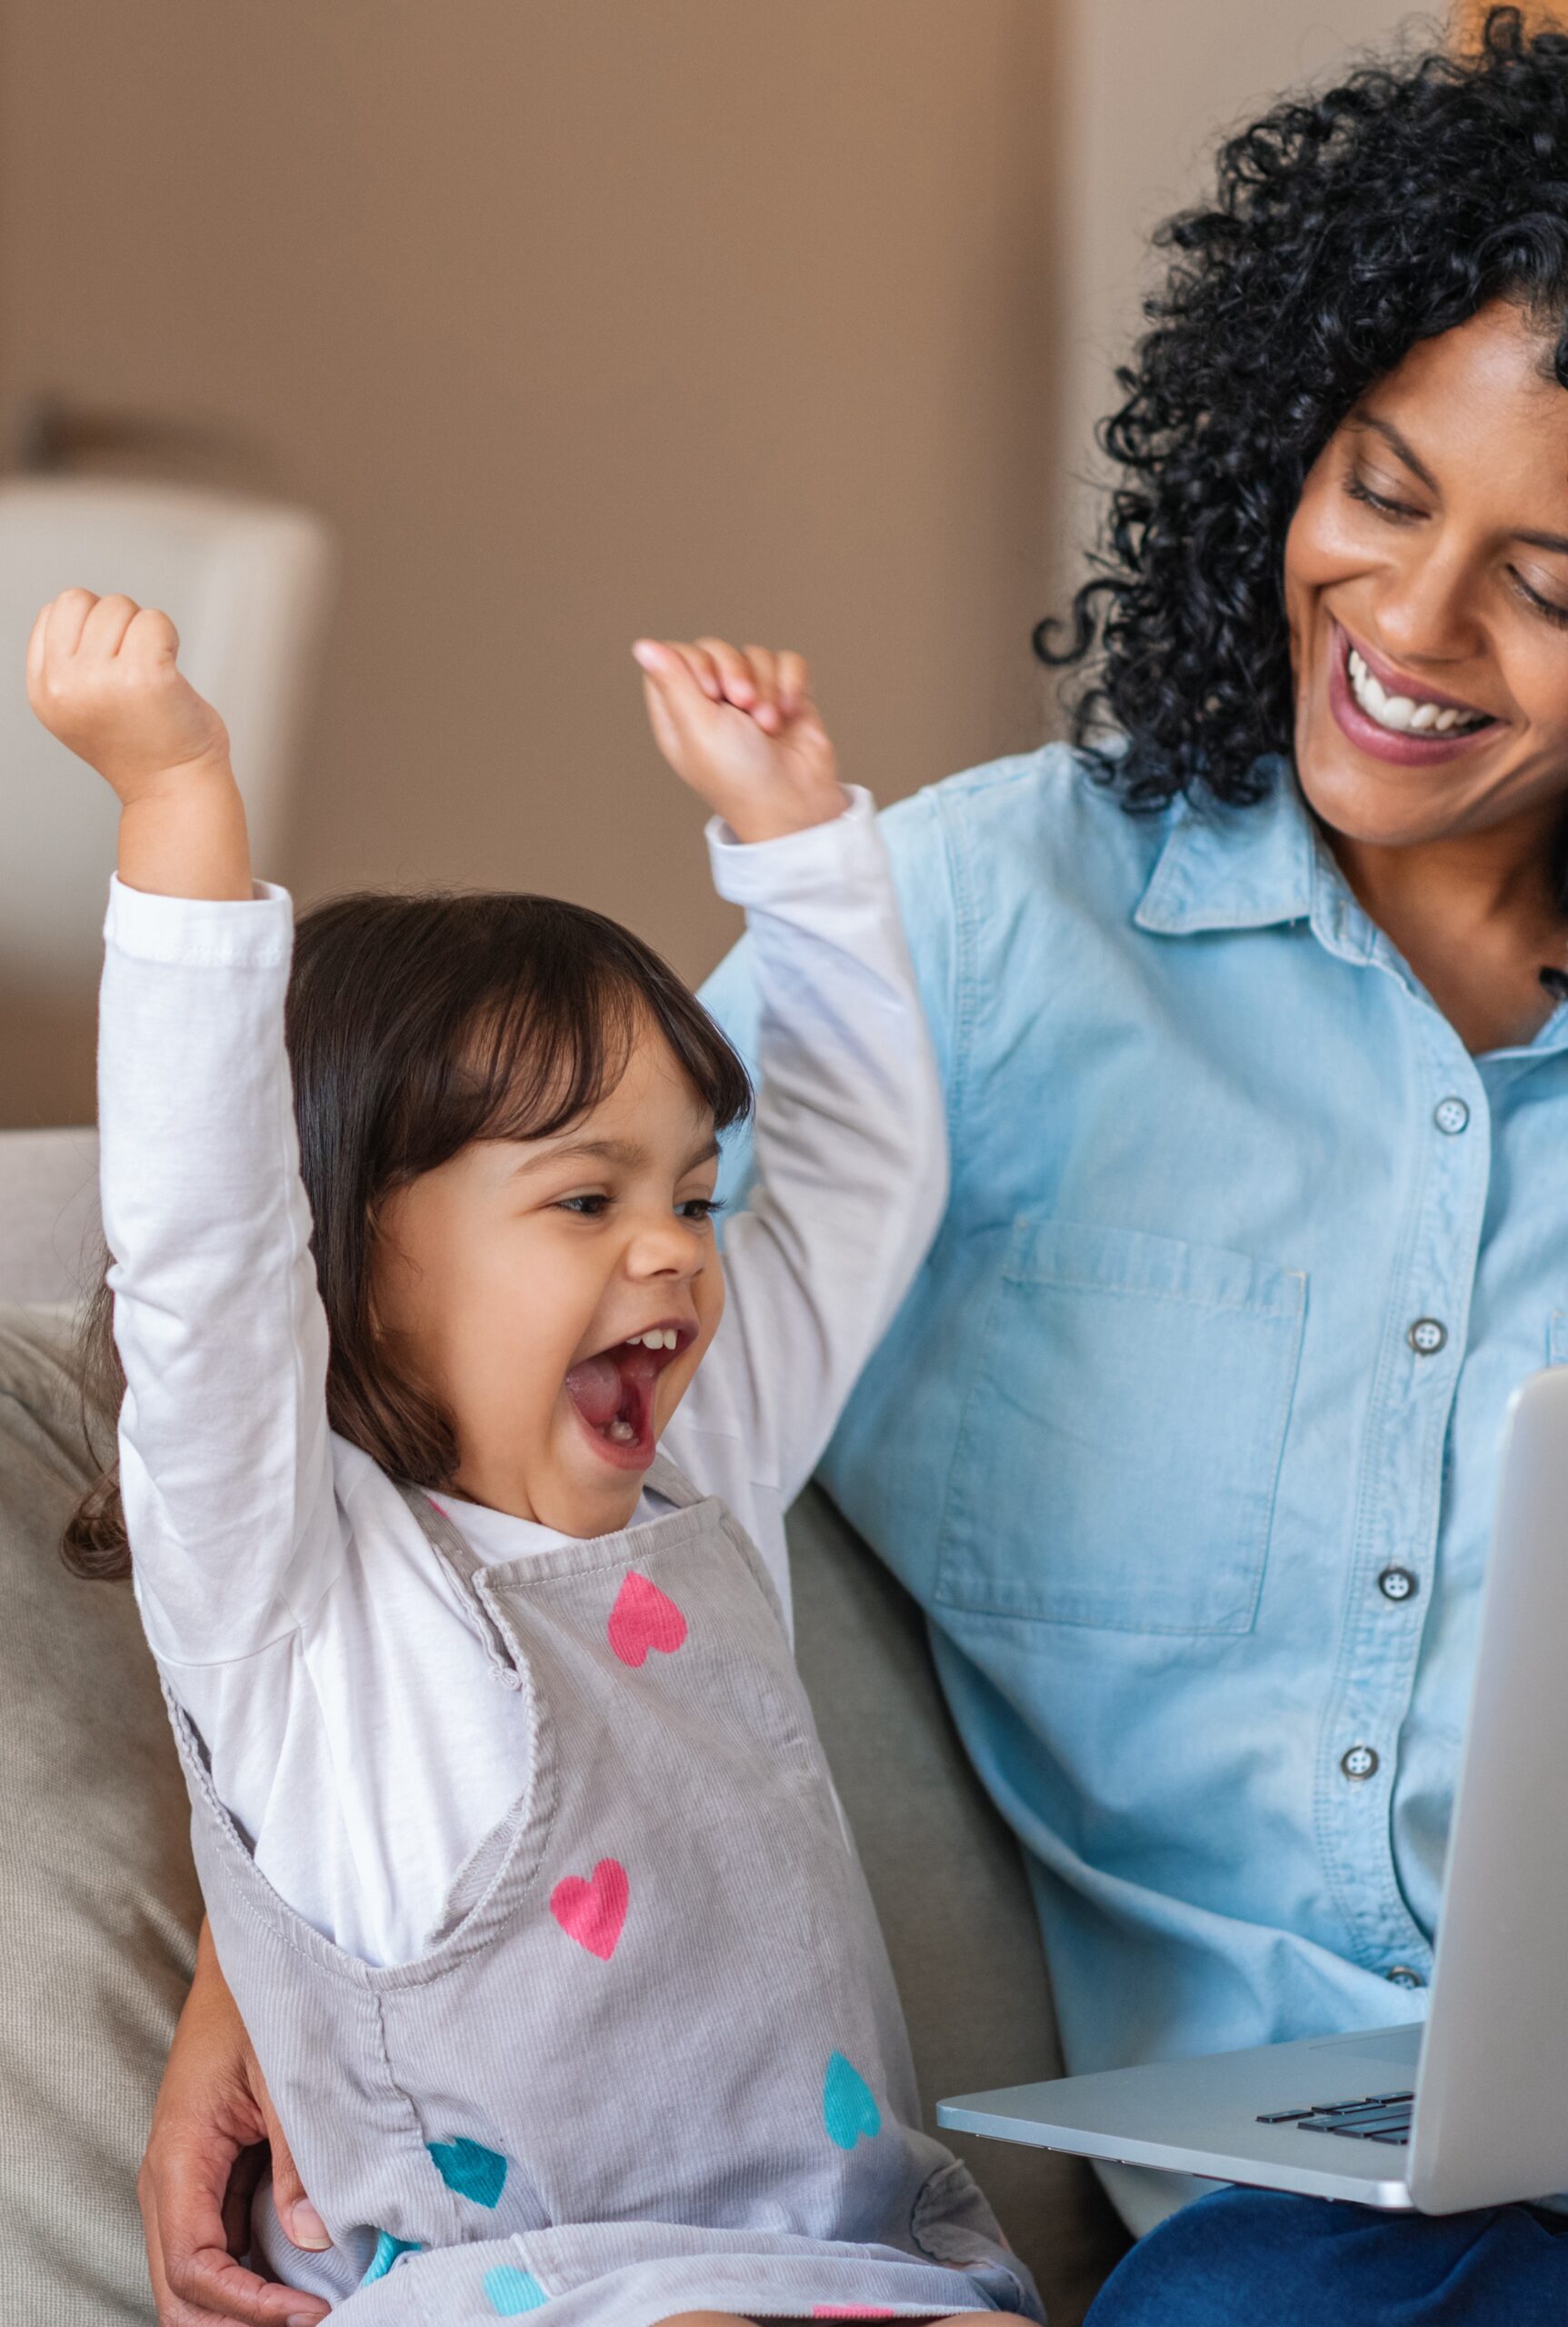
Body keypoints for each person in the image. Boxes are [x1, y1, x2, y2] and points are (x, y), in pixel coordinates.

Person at [142, 14, 1568, 2323]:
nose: (1406, 622)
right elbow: (491, 1396)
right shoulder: (968, 935)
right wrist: (261, 1940)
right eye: (1381, 491)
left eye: (1559, 575)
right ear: (1278, 443)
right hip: (1336, 2205)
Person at [34, 584, 1034, 2327]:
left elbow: (871, 1180)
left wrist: (794, 837)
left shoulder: (698, 1471)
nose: (673, 1250)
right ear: (342, 1248)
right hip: (514, 2296)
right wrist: (178, 795)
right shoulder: (293, 1590)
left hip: (848, 2271)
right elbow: (205, 1257)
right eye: (585, 1200)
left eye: (693, 1197)